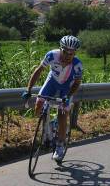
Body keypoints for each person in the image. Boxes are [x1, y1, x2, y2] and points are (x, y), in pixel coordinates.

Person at [22, 35, 83, 163]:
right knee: (38, 104)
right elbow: (38, 71)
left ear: (75, 53)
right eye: (65, 52)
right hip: (52, 82)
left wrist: (67, 96)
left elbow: (77, 83)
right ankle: (47, 125)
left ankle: (60, 145)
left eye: (71, 53)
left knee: (62, 114)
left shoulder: (77, 65)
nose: (67, 56)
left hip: (67, 87)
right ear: (60, 49)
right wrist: (28, 90)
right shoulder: (51, 55)